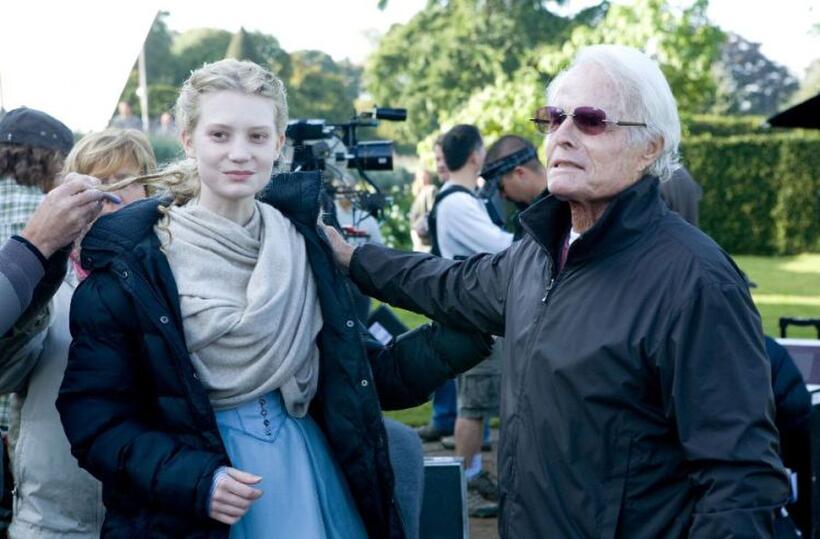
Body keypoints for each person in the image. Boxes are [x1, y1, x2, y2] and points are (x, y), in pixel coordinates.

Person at [325, 45, 789, 538]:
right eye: (553, 118)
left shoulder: (696, 281)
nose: (562, 135)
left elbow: (740, 484)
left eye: (590, 120)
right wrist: (353, 258)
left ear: (650, 147)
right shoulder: (537, 252)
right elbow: (449, 283)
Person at [57, 58, 491, 539]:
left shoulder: (307, 247)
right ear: (188, 139)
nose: (239, 153)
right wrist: (198, 481)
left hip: (312, 473)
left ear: (279, 143)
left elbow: (358, 376)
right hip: (194, 505)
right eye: (219, 135)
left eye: (257, 136)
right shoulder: (132, 267)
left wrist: (463, 336)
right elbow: (95, 417)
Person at [0, 128, 154, 538]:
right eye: (94, 181)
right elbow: (6, 373)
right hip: (50, 520)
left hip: (149, 518)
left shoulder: (168, 282)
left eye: (123, 180)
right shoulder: (47, 286)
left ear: (150, 191)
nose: (107, 195)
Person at [426, 124, 512, 518]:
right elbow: (501, 246)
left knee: (476, 403)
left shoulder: (461, 199)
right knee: (473, 406)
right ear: (476, 155)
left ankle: (473, 477)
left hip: (474, 316)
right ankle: (467, 484)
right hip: (474, 319)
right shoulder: (457, 202)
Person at [415, 139, 458, 444]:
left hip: (456, 289)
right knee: (443, 357)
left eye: (444, 158)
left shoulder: (459, 197)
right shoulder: (443, 195)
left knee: (461, 360)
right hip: (441, 288)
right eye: (438, 159)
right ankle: (444, 420)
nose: (440, 164)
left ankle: (461, 426)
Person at [408, 168, 438, 252]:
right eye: (420, 176)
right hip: (418, 239)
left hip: (425, 239)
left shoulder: (431, 189)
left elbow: (432, 212)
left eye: (424, 176)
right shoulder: (419, 192)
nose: (422, 178)